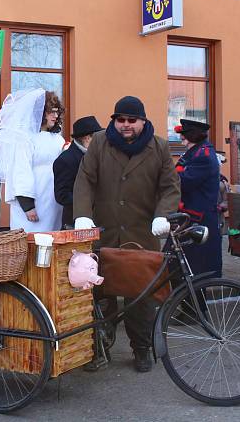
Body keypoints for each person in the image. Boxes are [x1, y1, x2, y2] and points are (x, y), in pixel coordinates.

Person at [73, 95, 180, 373]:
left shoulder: (160, 147)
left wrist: (163, 214)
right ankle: (98, 347)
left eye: (132, 120)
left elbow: (170, 188)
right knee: (99, 295)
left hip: (142, 234)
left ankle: (141, 349)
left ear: (143, 121)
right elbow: (85, 179)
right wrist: (82, 213)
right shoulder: (99, 142)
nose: (126, 125)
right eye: (120, 120)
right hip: (104, 232)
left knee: (140, 298)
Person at [8, 90, 65, 231]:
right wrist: (28, 205)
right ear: (40, 112)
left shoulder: (58, 139)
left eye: (57, 112)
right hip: (34, 201)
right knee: (31, 239)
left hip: (53, 201)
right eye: (51, 111)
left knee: (52, 239)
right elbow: (20, 172)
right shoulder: (25, 139)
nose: (55, 116)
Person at [174, 119, 222, 278]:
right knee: (183, 266)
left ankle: (195, 301)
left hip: (198, 219)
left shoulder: (203, 155)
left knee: (197, 270)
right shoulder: (198, 151)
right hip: (191, 218)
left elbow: (184, 181)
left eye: (185, 138)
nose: (183, 142)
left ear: (193, 137)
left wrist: (168, 176)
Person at [53, 115, 103, 229]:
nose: (100, 141)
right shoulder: (65, 160)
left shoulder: (97, 155)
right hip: (75, 222)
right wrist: (86, 202)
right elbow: (62, 195)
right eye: (97, 137)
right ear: (86, 138)